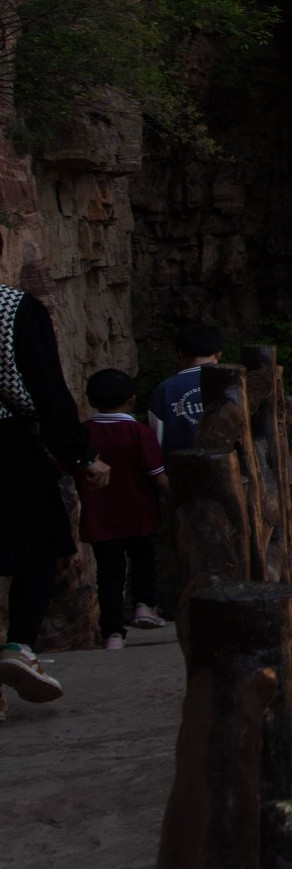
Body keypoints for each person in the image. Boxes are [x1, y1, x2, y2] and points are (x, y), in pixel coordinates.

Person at [0, 265, 103, 705]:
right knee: (39, 544)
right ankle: (19, 646)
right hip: (5, 445)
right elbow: (45, 388)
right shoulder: (12, 307)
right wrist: (80, 454)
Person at [80, 367, 168, 648]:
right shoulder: (138, 432)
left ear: (91, 400)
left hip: (99, 514)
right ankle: (144, 605)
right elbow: (157, 474)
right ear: (131, 400)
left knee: (109, 573)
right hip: (138, 511)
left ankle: (113, 632)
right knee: (143, 557)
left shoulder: (83, 434)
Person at [153, 319, 229, 455]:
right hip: (230, 467)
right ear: (218, 353)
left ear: (180, 353)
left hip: (179, 470)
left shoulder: (166, 389)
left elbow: (155, 438)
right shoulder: (233, 382)